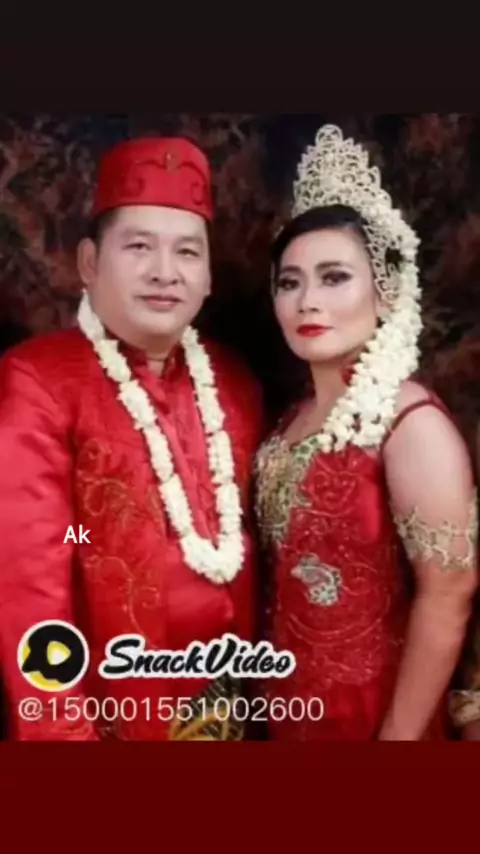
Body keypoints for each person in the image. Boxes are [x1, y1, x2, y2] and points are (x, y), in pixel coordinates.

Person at [0, 135, 265, 740]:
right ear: (89, 263)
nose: (164, 272)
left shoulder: (234, 382)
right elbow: (28, 592)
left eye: (187, 252)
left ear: (209, 276)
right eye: (139, 246)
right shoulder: (38, 382)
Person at [253, 124, 479, 740]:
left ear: (384, 294)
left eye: (334, 277)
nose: (308, 301)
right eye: (290, 282)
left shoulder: (411, 426)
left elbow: (448, 594)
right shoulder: (290, 420)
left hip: (377, 717)